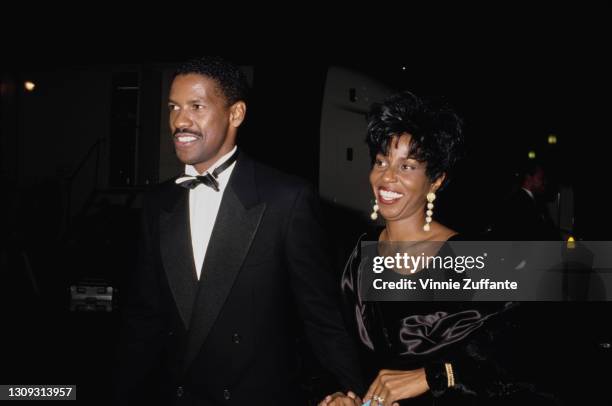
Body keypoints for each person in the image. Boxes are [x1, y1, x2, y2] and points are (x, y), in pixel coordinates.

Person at [114, 57, 364, 405]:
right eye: (174, 107)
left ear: (236, 114)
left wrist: (352, 391)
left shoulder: (286, 198)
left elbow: (320, 315)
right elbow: (144, 319)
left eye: (196, 106)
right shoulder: (158, 203)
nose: (179, 121)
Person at [321, 92, 548, 406]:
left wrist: (434, 375)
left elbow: (527, 361)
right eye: (381, 161)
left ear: (436, 180)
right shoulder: (358, 256)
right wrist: (342, 395)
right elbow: (336, 350)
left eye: (407, 166)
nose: (387, 176)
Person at [491, 159, 561, 241]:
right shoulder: (517, 202)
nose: (543, 182)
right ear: (528, 177)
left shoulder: (537, 202)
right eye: (540, 178)